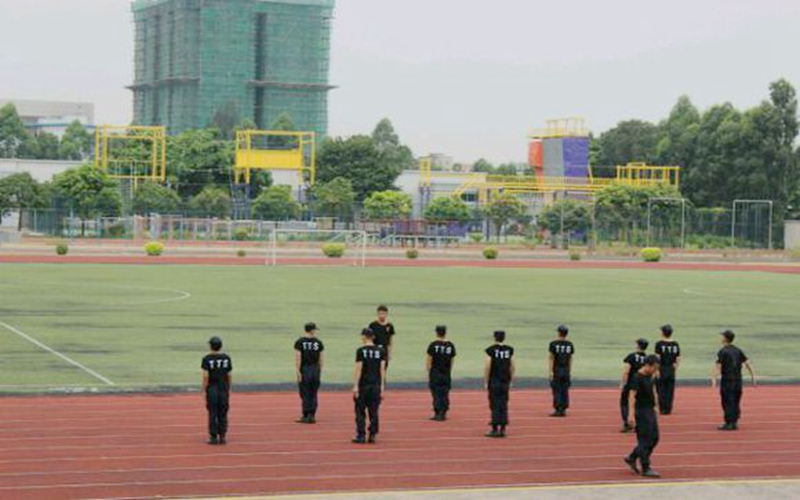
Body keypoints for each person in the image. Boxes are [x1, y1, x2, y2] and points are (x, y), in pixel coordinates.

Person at [624, 355, 662, 478]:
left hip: (649, 409)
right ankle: (645, 467)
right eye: (655, 368)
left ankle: (632, 457)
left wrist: (656, 404)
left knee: (655, 437)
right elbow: (631, 396)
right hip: (641, 411)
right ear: (648, 365)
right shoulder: (637, 377)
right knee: (645, 439)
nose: (656, 370)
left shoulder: (651, 375)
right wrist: (630, 414)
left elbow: (653, 389)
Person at [712, 330, 756, 431]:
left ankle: (729, 423)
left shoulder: (723, 351)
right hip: (738, 380)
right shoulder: (738, 350)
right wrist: (753, 376)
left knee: (727, 401)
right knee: (736, 400)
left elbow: (718, 366)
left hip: (727, 380)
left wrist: (714, 379)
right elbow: (748, 363)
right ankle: (734, 421)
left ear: (725, 339)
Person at [352, 328, 387, 444]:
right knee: (374, 411)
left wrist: (355, 385)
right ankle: (372, 434)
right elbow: (382, 370)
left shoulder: (361, 351)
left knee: (360, 411)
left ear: (364, 336)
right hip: (375, 385)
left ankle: (361, 435)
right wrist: (382, 386)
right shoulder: (381, 351)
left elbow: (359, 369)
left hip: (363, 385)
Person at [201, 336, 232, 445]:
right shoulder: (227, 358)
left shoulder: (207, 359)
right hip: (223, 388)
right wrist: (229, 388)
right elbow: (229, 375)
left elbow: (206, 377)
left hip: (212, 389)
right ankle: (222, 436)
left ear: (211, 346)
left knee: (212, 413)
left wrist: (204, 390)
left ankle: (213, 437)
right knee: (223, 412)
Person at [484, 330, 515, 438]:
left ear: (494, 338)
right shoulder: (509, 350)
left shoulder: (491, 350)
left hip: (494, 380)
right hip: (505, 380)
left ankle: (494, 428)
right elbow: (512, 366)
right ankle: (503, 428)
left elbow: (488, 365)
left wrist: (486, 380)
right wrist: (511, 379)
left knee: (494, 404)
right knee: (503, 404)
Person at [294, 322, 324, 424]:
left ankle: (306, 414)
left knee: (305, 392)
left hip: (305, 368)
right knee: (313, 393)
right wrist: (319, 370)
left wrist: (298, 371)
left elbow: (298, 358)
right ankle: (312, 414)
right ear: (311, 330)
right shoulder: (318, 343)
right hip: (315, 369)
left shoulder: (299, 342)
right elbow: (321, 359)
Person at [426, 325, 457, 421]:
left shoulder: (433, 345)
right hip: (446, 372)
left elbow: (429, 360)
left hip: (435, 372)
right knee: (445, 392)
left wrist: (429, 372)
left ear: (436, 332)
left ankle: (438, 412)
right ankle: (443, 411)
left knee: (436, 393)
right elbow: (452, 360)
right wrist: (449, 371)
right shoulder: (450, 345)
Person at [620, 339, 649, 433]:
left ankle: (628, 423)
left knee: (625, 403)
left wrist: (623, 383)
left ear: (638, 346)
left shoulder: (631, 357)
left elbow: (626, 371)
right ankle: (639, 424)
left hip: (631, 383)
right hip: (643, 384)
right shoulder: (648, 358)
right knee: (639, 404)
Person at [548, 325, 575, 417]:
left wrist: (550, 371)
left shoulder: (553, 344)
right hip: (566, 369)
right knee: (565, 389)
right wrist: (570, 370)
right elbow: (570, 358)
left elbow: (552, 358)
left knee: (557, 389)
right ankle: (563, 408)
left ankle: (558, 408)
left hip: (557, 369)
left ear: (559, 333)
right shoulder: (570, 345)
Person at [654, 325, 681, 415]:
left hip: (662, 368)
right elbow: (678, 358)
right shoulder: (675, 344)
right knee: (670, 389)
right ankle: (668, 408)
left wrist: (656, 370)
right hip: (671, 369)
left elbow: (657, 358)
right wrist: (675, 368)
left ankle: (662, 408)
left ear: (663, 333)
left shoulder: (659, 344)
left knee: (660, 389)